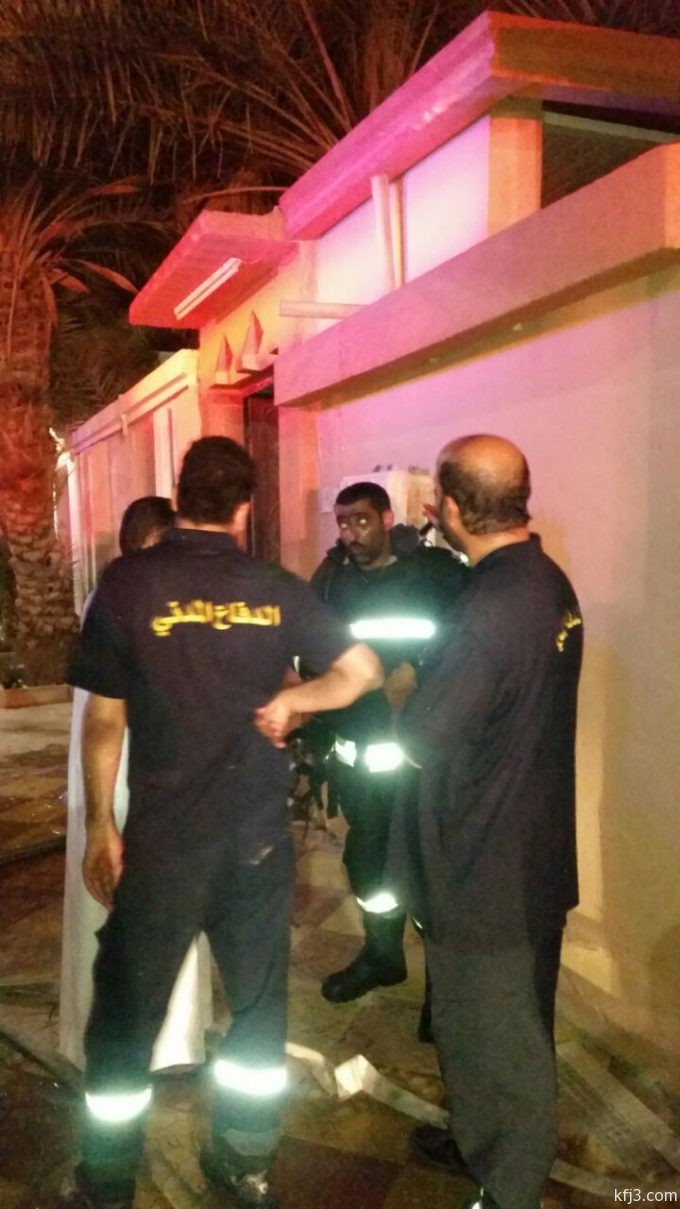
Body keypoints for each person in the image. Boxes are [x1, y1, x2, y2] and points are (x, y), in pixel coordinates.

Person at [60, 438, 382, 1209]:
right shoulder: (276, 589)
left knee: (126, 1010)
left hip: (164, 846)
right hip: (255, 845)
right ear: (244, 506)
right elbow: (363, 670)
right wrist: (296, 700)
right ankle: (243, 1160)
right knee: (258, 1007)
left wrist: (101, 825)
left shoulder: (128, 584)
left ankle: (108, 1176)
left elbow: (104, 722)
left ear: (181, 497)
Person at [388, 435, 583, 1209]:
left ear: (454, 508)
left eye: (437, 499)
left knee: (499, 1046)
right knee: (506, 1027)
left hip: (482, 868)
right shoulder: (548, 582)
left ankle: (507, 1186)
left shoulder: (485, 611)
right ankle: (479, 1136)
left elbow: (421, 738)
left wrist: (402, 692)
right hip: (533, 851)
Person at [59, 496, 212, 1073]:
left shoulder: (120, 597)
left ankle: (153, 1037)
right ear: (147, 545)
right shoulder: (128, 601)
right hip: (127, 777)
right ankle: (154, 1043)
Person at [309, 482, 467, 1007]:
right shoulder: (333, 581)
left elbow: (474, 644)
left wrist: (420, 678)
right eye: (342, 522)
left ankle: (445, 993)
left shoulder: (435, 574)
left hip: (420, 761)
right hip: (358, 763)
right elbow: (311, 656)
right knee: (368, 866)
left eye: (361, 520)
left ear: (386, 518)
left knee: (428, 872)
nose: (350, 533)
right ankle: (383, 956)